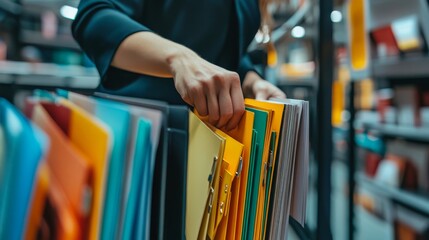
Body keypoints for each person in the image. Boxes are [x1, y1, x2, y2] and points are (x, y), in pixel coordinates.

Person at [72, 0, 286, 130]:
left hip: (209, 145)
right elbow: (94, 18)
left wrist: (250, 80)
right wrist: (178, 59)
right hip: (139, 133)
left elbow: (223, 49)